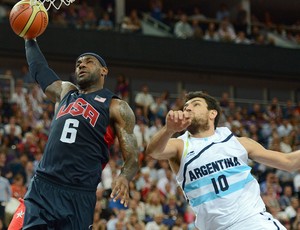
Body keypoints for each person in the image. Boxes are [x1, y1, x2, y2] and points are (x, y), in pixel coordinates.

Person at [8, 39, 139, 229]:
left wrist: (124, 177)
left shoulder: (116, 106)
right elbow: (39, 69)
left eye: (88, 62)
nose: (82, 65)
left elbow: (132, 157)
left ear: (104, 70)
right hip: (43, 187)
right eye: (78, 63)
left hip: (79, 196)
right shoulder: (66, 92)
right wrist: (30, 40)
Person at [145, 91, 300, 230]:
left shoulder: (238, 142)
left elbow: (289, 162)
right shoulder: (180, 145)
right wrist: (169, 130)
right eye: (185, 107)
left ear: (212, 113)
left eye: (196, 104)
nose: (188, 109)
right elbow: (154, 152)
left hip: (252, 222)